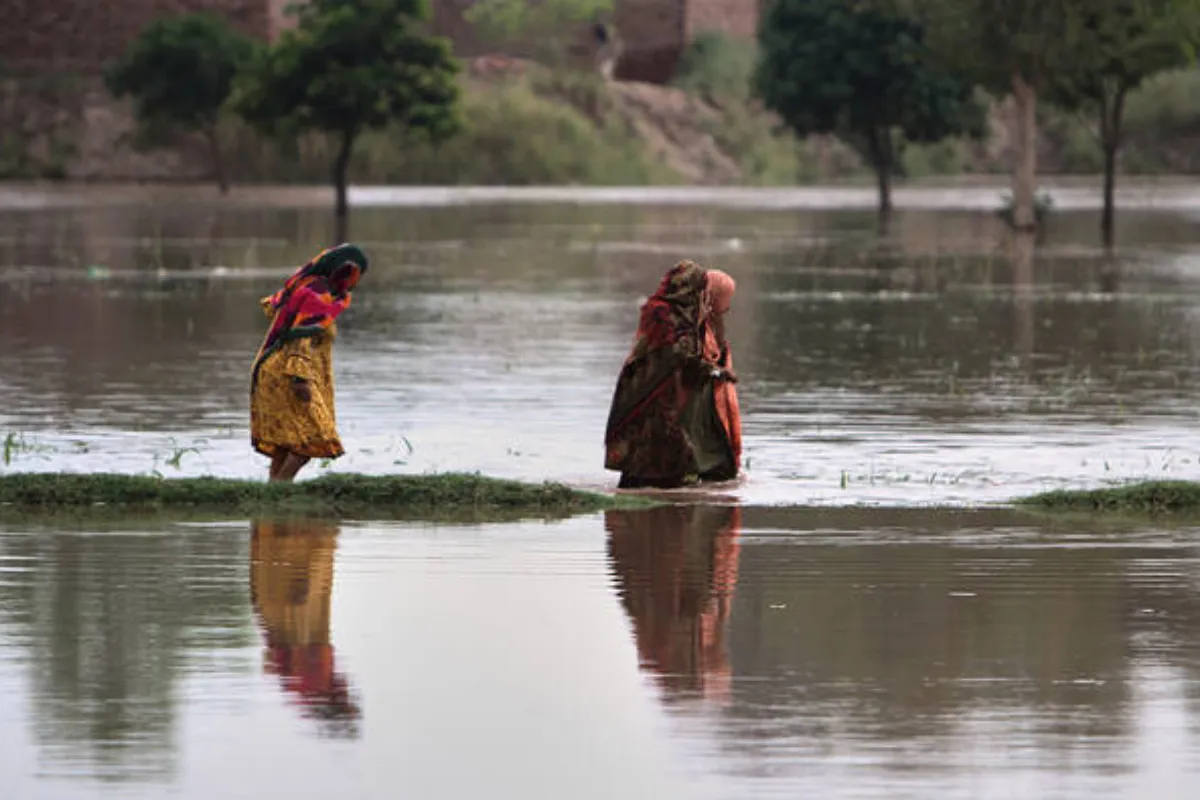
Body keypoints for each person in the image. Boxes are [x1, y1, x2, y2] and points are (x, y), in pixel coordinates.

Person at [604, 260, 742, 489]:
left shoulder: (685, 314)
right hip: (650, 389)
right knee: (653, 449)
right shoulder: (663, 313)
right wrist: (714, 372)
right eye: (701, 289)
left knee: (661, 453)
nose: (703, 295)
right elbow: (676, 354)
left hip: (662, 390)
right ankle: (652, 508)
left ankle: (655, 501)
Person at [250, 243, 368, 482]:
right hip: (287, 372)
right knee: (313, 437)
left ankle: (274, 496)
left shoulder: (318, 292)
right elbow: (299, 340)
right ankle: (281, 487)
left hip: (279, 369)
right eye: (349, 273)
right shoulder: (315, 295)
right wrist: (299, 378)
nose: (352, 280)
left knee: (288, 440)